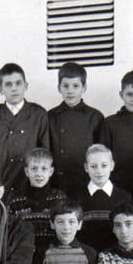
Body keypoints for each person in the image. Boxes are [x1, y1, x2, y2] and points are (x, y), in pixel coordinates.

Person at [0, 63, 49, 194]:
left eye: (18, 83)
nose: (14, 88)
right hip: (3, 185)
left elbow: (46, 154)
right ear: (0, 89)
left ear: (26, 86)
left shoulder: (38, 115)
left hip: (31, 186)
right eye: (8, 84)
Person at [47, 62, 105, 196]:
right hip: (58, 183)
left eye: (75, 86)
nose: (70, 91)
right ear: (59, 88)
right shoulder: (50, 117)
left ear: (84, 88)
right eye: (65, 86)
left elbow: (100, 154)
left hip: (86, 182)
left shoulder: (95, 117)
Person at [6, 147, 68, 253]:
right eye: (34, 168)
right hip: (24, 254)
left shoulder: (59, 198)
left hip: (53, 253)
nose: (39, 173)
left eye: (44, 169)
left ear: (51, 171)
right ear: (27, 171)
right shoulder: (15, 201)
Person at [75, 144, 131, 252]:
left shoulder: (124, 197)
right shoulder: (77, 196)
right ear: (86, 167)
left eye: (104, 165)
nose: (99, 171)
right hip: (85, 255)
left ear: (112, 166)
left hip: (116, 256)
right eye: (93, 166)